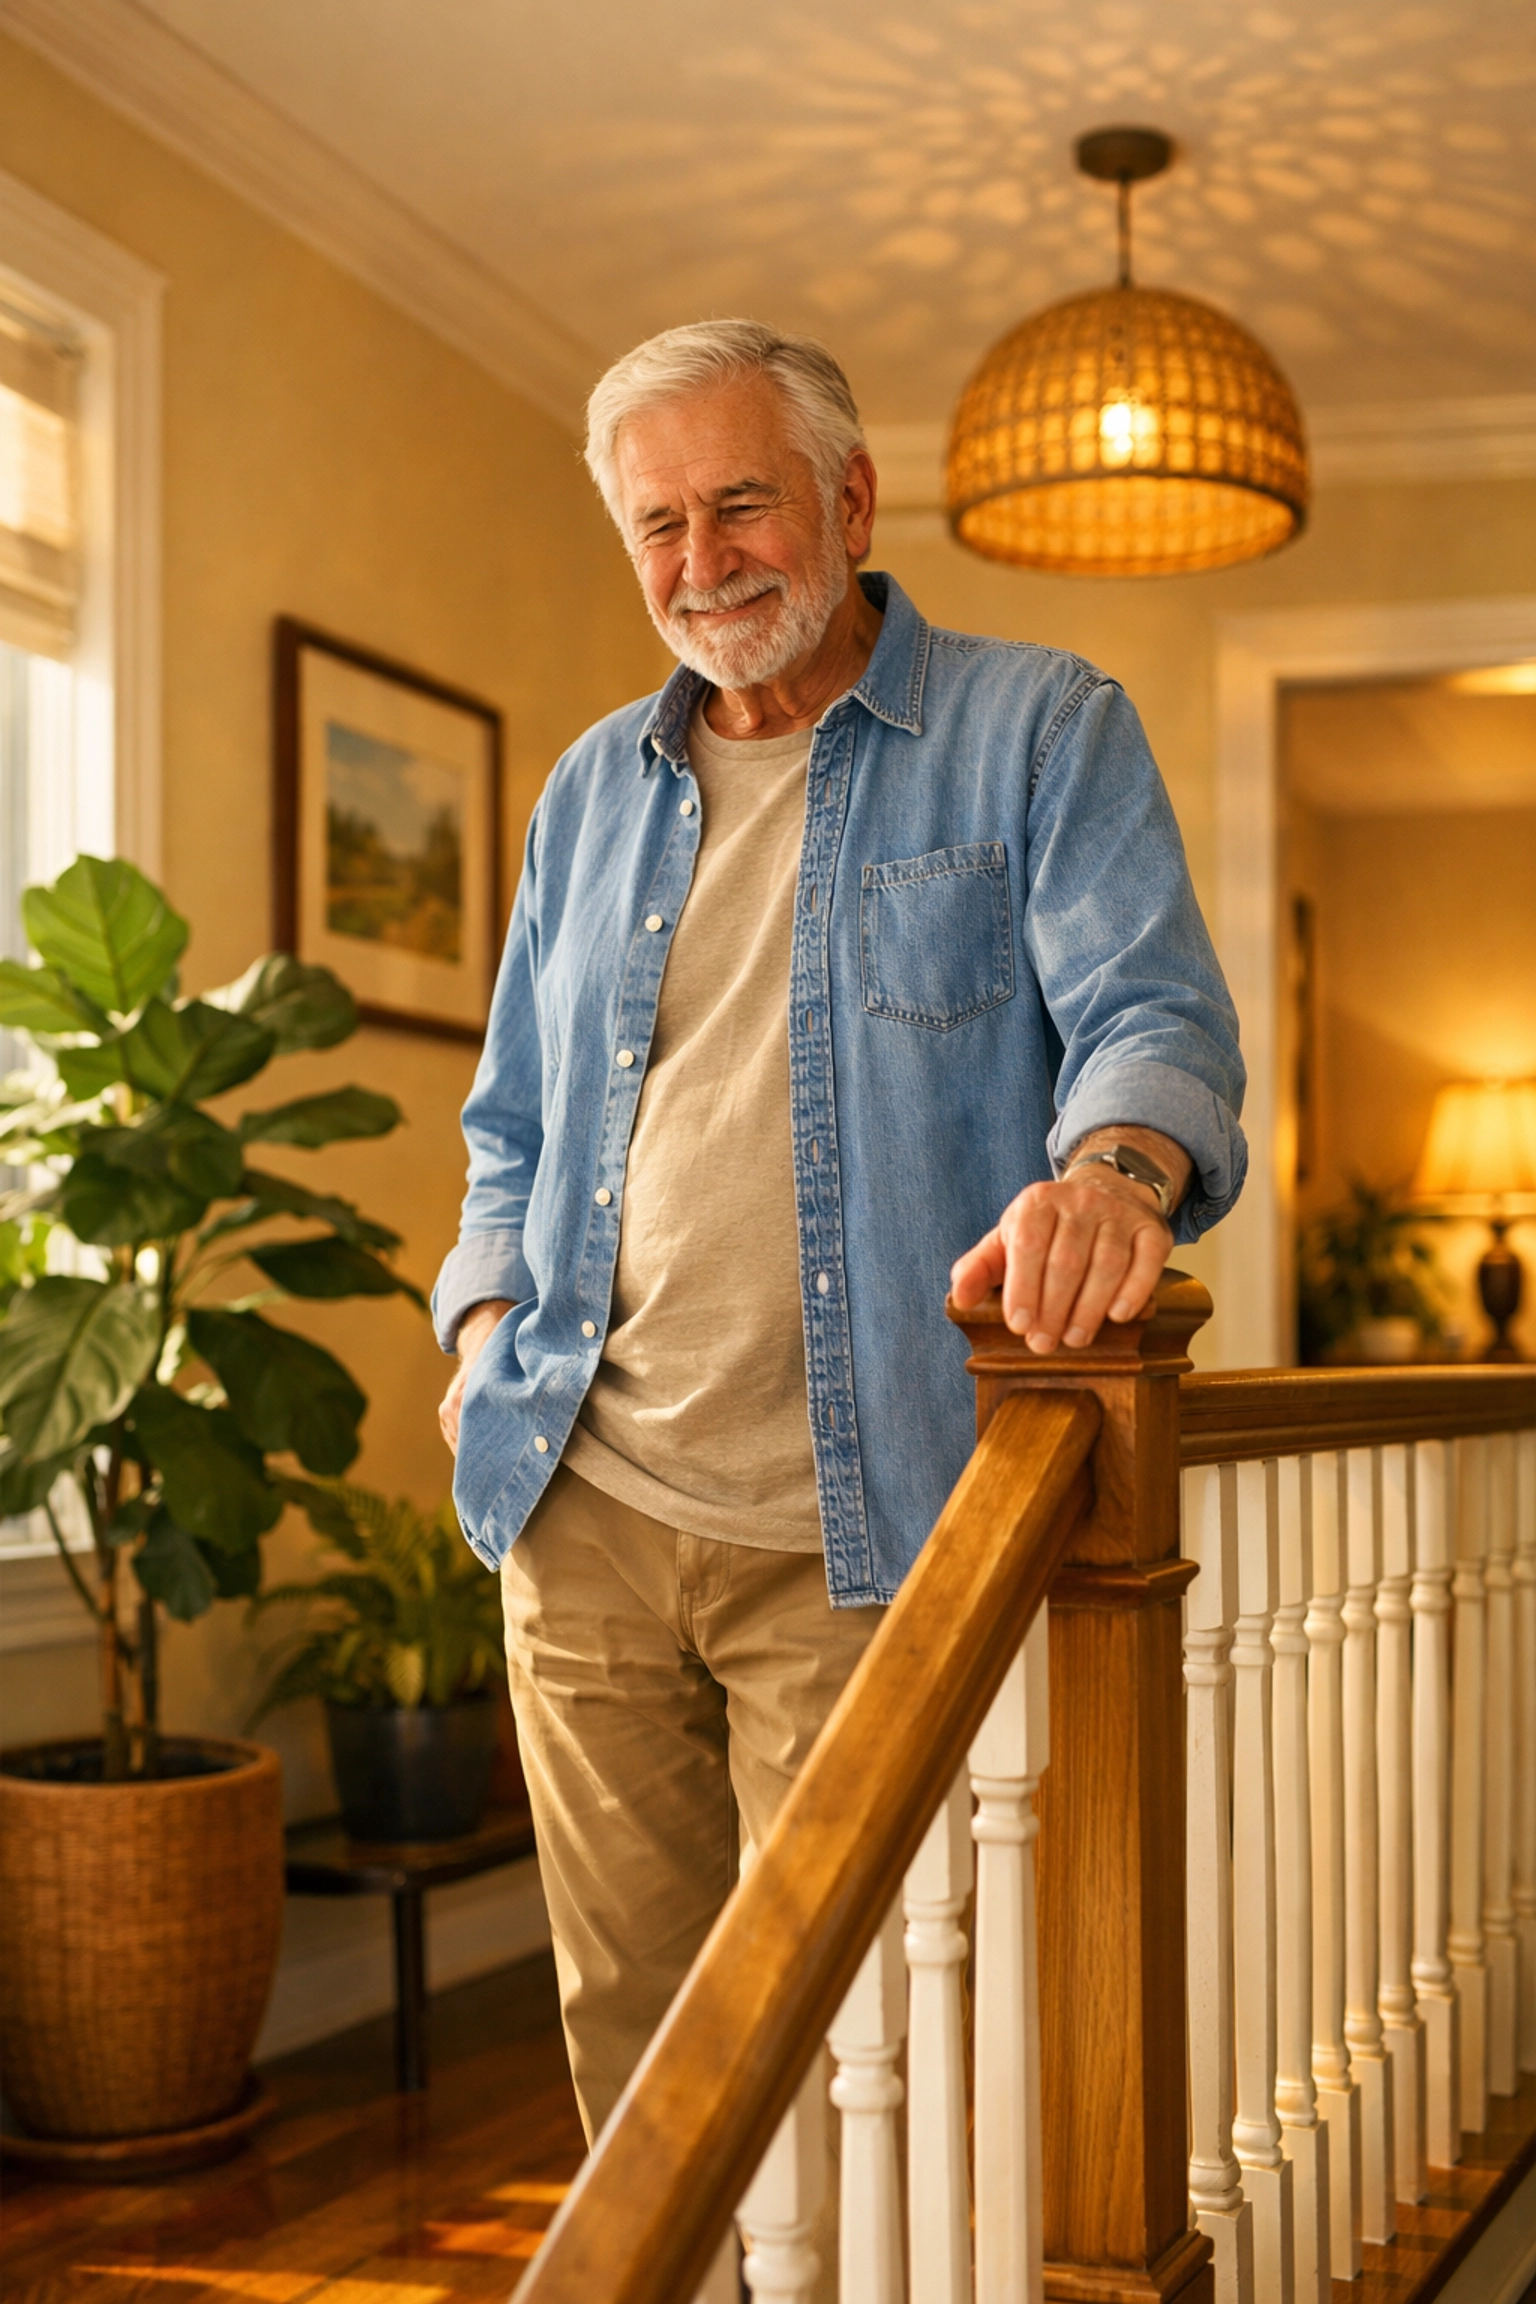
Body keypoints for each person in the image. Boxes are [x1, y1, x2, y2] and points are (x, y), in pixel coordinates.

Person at [434, 319, 1245, 2145]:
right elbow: (510, 1134)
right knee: (641, 2066)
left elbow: (1155, 1020)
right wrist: (483, 1332)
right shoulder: (585, 794)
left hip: (872, 1531)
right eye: (659, 523)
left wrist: (1115, 1172)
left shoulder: (1038, 729)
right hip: (585, 1508)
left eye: (740, 504)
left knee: (878, 2063)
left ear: (851, 499)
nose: (700, 563)